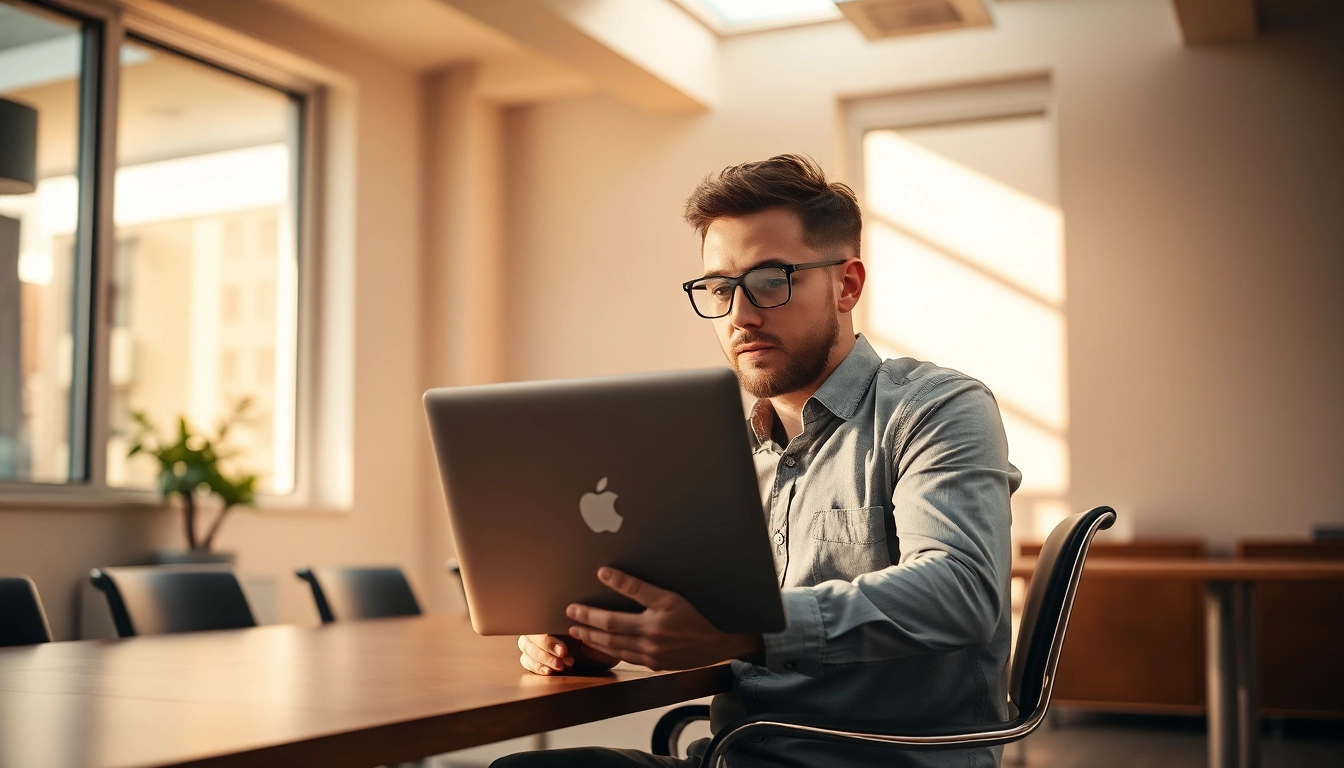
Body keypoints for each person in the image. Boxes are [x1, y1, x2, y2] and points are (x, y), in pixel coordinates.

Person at [492, 155, 1021, 768]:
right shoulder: (718, 452)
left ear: (846, 285)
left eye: (771, 279)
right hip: (733, 756)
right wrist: (596, 633)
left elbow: (961, 590)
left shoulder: (938, 407)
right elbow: (683, 611)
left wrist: (747, 629)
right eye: (719, 288)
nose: (741, 315)